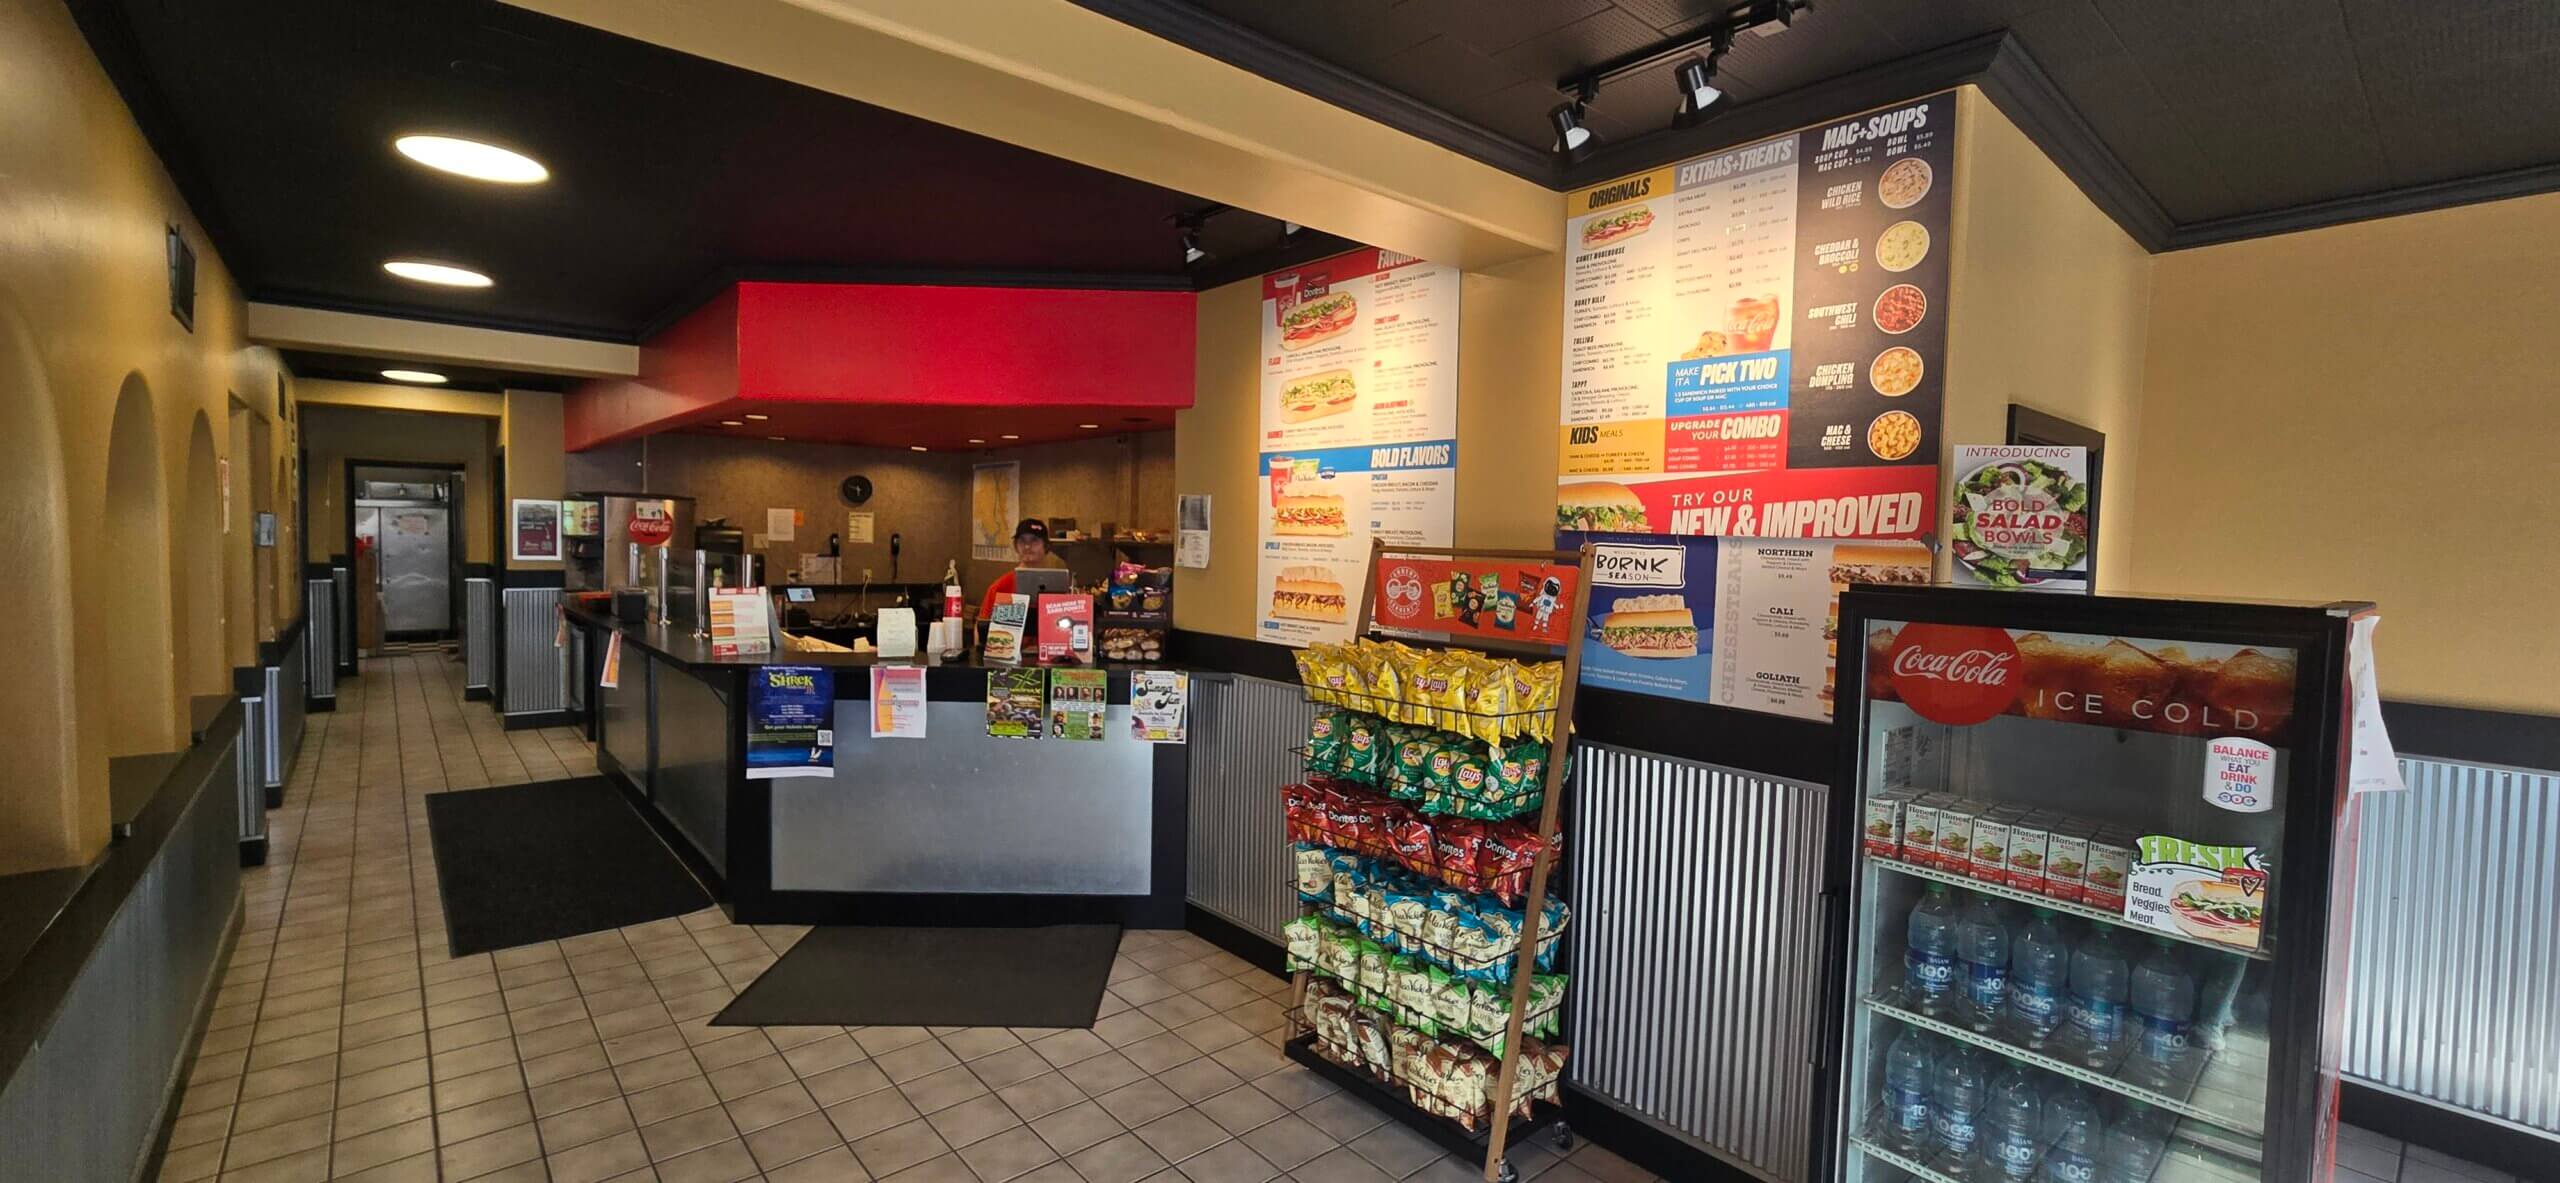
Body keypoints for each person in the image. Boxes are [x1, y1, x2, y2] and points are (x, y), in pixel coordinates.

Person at [978, 518, 1066, 620]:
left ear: (1046, 546)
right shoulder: (1000, 588)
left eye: (1034, 540)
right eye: (1022, 541)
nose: (1027, 546)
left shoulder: (1057, 586)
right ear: (1015, 546)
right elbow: (981, 627)